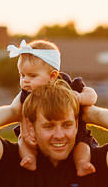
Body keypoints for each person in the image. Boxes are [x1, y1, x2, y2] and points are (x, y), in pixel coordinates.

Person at [6, 39, 98, 176]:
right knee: (22, 142)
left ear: (52, 76)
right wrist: (25, 131)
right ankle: (29, 158)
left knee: (83, 145)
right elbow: (15, 111)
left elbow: (91, 94)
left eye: (32, 76)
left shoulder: (66, 85)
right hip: (34, 132)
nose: (25, 80)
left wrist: (79, 98)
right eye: (22, 75)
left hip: (74, 132)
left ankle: (82, 163)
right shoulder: (26, 93)